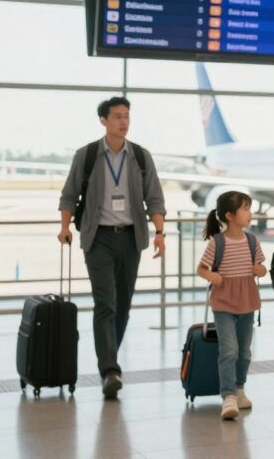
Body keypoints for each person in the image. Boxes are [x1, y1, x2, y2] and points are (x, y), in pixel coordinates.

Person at [57, 97, 166, 399]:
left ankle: (108, 362)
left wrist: (160, 231)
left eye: (127, 116)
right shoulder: (88, 155)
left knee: (123, 306)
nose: (124, 122)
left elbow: (155, 198)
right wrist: (65, 227)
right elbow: (69, 196)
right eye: (117, 116)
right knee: (106, 302)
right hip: (99, 238)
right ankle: (110, 369)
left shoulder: (141, 157)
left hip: (131, 238)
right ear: (103, 120)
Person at [197, 191, 266, 420]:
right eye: (245, 209)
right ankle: (228, 396)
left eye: (249, 208)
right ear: (229, 215)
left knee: (244, 352)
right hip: (224, 304)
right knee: (229, 350)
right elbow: (201, 269)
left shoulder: (252, 241)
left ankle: (239, 389)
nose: (250, 213)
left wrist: (261, 270)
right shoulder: (217, 242)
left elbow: (262, 268)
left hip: (247, 304)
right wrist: (211, 276)